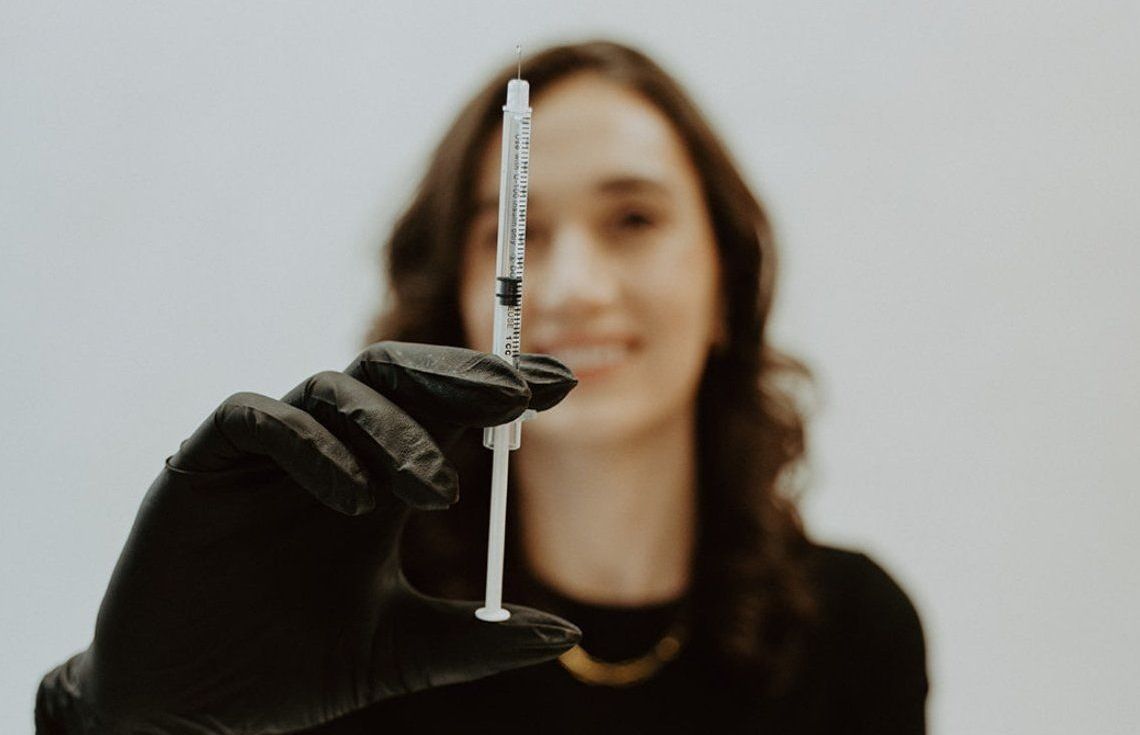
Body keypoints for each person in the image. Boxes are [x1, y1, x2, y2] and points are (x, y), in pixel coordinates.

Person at [36, 40, 928, 734]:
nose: (575, 285)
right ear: (457, 303)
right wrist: (109, 719)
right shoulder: (350, 633)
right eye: (516, 232)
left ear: (729, 281)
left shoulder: (853, 633)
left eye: (633, 218)